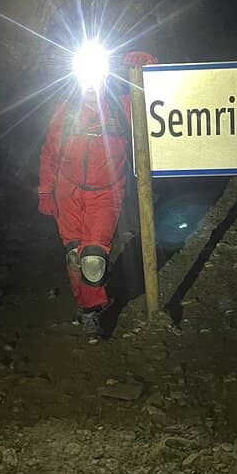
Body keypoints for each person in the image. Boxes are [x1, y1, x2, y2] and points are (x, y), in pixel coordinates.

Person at [38, 50, 158, 338]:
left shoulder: (121, 108)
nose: (92, 85)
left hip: (106, 193)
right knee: (75, 258)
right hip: (68, 193)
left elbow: (155, 102)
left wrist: (148, 68)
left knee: (93, 260)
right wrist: (46, 191)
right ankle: (87, 306)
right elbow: (50, 153)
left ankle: (92, 312)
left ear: (106, 78)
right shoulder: (65, 111)